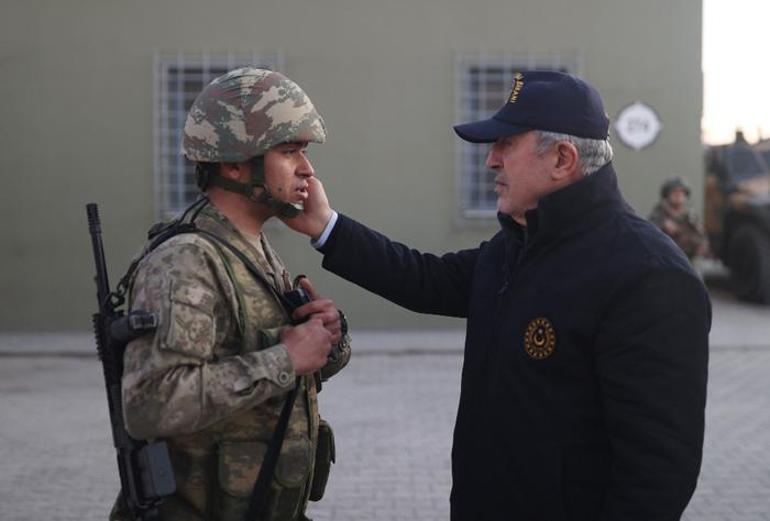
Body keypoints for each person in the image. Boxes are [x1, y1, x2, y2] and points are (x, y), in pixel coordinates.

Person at [285, 71, 710, 520]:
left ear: (562, 159)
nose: (490, 161)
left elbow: (657, 476)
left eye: (506, 144)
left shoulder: (648, 276)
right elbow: (424, 279)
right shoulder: (519, 246)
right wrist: (325, 226)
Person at [114, 68, 351, 521]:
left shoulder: (252, 249)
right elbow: (151, 406)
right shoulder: (185, 261)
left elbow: (284, 367)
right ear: (234, 164)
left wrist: (327, 339)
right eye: (289, 152)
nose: (307, 169)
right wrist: (284, 359)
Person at [649, 177, 710, 260]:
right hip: (664, 260)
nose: (678, 195)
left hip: (687, 259)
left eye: (681, 192)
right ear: (667, 194)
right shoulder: (658, 216)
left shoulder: (691, 217)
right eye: (674, 192)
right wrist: (663, 226)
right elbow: (651, 238)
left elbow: (702, 241)